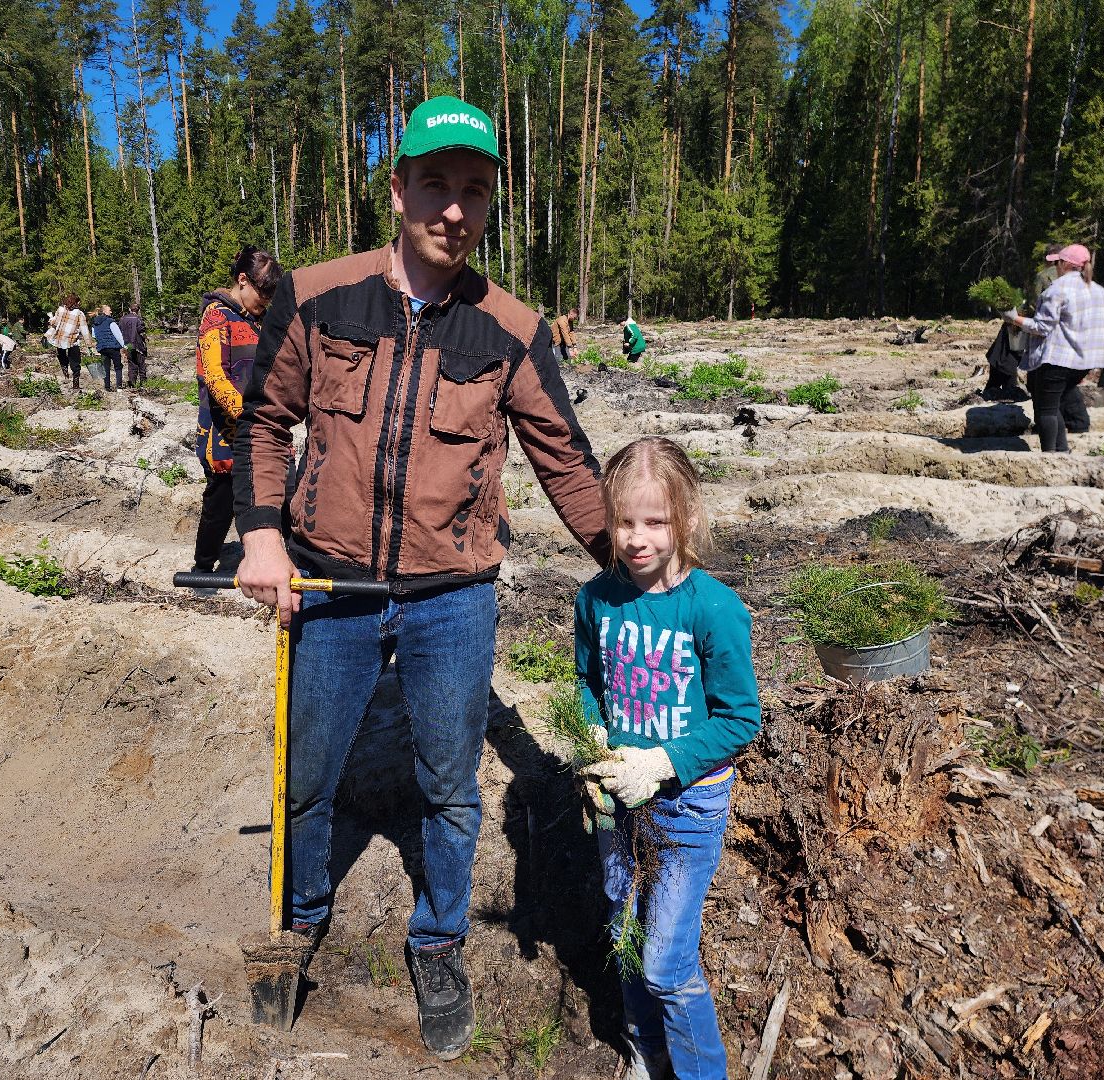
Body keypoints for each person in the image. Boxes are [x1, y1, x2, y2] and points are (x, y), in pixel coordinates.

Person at [230, 94, 610, 1061]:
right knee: (307, 776)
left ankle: (438, 940)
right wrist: (262, 538)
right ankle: (299, 916)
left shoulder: (511, 329)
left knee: (450, 786)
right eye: (435, 183)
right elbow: (263, 423)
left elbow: (563, 458)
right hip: (331, 587)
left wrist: (632, 563)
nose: (453, 207)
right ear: (396, 188)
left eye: (474, 191)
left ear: (489, 207)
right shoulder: (317, 297)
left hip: (453, 597)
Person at [574, 436, 760, 1080]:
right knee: (623, 926)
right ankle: (644, 1049)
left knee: (665, 962)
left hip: (686, 804)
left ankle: (701, 1071)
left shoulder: (714, 609)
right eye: (625, 521)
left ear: (687, 519)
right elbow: (587, 683)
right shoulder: (596, 600)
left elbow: (741, 719)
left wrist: (660, 763)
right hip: (614, 801)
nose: (637, 538)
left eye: (656, 521)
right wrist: (595, 736)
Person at [192, 247, 282, 574]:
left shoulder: (257, 319)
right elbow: (215, 377)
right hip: (224, 432)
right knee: (221, 503)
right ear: (242, 280)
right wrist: (247, 415)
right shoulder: (217, 316)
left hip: (257, 427)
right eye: (262, 295)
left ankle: (273, 557)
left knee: (274, 491)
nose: (266, 303)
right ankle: (203, 568)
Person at [1006, 243, 1104, 452]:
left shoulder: (1057, 290)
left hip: (1058, 359)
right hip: (1084, 361)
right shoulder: (1097, 290)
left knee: (1047, 410)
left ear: (1063, 264)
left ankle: (1051, 456)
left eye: (1057, 263)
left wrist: (1015, 319)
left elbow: (1042, 327)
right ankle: (1061, 451)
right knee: (1056, 404)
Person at [48, 293, 91, 389]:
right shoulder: (79, 314)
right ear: (77, 302)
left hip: (59, 338)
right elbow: (84, 330)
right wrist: (89, 344)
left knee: (62, 356)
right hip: (72, 340)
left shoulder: (60, 309)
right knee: (75, 361)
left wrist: (51, 320)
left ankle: (65, 374)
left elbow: (55, 321)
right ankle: (75, 384)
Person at [92, 304, 126, 391]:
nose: (111, 311)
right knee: (118, 366)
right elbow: (118, 335)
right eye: (109, 310)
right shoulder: (111, 321)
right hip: (113, 347)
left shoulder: (95, 323)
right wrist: (123, 346)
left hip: (102, 348)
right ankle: (119, 386)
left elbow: (94, 336)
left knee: (106, 367)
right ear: (104, 311)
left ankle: (107, 387)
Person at [120, 303, 148, 387]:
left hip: (128, 344)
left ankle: (132, 383)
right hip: (138, 344)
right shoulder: (138, 319)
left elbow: (120, 330)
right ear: (138, 310)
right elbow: (141, 330)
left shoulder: (123, 319)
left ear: (129, 309)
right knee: (141, 364)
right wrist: (145, 338)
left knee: (131, 363)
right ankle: (143, 383)